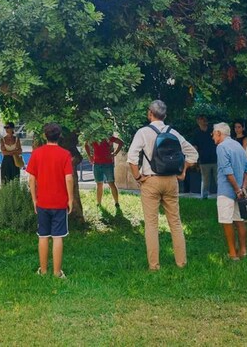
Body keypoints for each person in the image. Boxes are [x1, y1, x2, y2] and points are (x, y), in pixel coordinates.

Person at [127, 100, 199, 271]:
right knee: (175, 222)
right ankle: (181, 263)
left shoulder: (143, 132)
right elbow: (193, 154)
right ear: (165, 115)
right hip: (171, 180)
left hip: (150, 180)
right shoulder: (173, 132)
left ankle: (154, 265)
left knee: (151, 224)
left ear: (150, 113)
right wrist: (183, 171)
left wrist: (138, 177)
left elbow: (131, 158)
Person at [28, 123, 75, 278]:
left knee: (43, 236)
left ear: (44, 135)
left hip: (42, 201)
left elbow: (31, 179)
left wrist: (34, 199)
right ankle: (57, 273)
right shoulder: (65, 154)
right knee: (57, 237)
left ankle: (43, 271)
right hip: (59, 202)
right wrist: (70, 199)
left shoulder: (37, 153)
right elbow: (69, 178)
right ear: (59, 136)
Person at [212, 122, 247, 260]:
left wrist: (236, 189)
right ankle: (243, 251)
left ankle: (232, 253)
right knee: (239, 220)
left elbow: (227, 170)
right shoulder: (238, 145)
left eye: (213, 134)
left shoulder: (221, 147)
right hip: (239, 190)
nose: (212, 137)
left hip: (226, 190)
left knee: (226, 221)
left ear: (219, 133)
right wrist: (243, 188)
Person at [84, 135, 123, 209]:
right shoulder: (94, 136)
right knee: (99, 184)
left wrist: (114, 153)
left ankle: (116, 203)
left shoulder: (108, 137)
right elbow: (86, 144)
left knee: (111, 183)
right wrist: (89, 156)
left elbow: (121, 143)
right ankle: (98, 203)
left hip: (108, 163)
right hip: (97, 163)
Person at [190, 115, 217, 199]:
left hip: (215, 158)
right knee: (205, 180)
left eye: (204, 119)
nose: (203, 121)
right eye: (201, 120)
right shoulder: (196, 133)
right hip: (203, 160)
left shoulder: (212, 130)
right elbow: (195, 146)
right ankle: (204, 197)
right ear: (198, 122)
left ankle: (221, 194)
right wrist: (195, 159)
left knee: (218, 179)